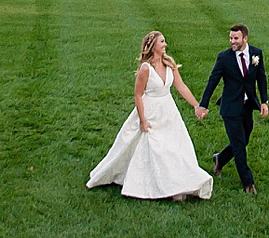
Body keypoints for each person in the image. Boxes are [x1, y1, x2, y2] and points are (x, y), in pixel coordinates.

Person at [87, 31, 214, 201]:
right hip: (150, 111)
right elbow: (138, 95)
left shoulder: (169, 63)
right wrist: (143, 120)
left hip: (168, 112)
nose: (165, 44)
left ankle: (176, 185)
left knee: (174, 147)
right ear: (153, 45)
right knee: (155, 147)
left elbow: (181, 86)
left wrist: (196, 106)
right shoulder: (145, 69)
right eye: (162, 42)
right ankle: (148, 183)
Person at [200, 22, 269, 194]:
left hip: (247, 106)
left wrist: (264, 101)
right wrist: (203, 104)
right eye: (230, 38)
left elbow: (261, 78)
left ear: (245, 38)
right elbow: (213, 80)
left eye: (236, 38)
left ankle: (220, 159)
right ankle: (248, 182)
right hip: (230, 107)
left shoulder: (256, 54)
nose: (232, 42)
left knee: (243, 140)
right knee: (239, 145)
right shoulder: (224, 58)